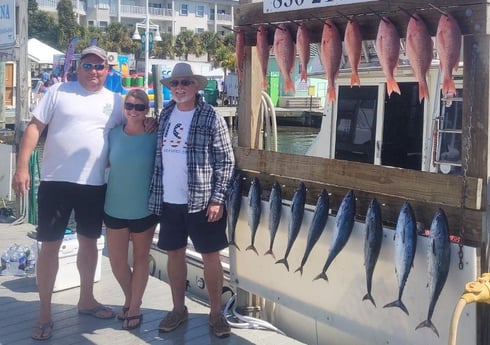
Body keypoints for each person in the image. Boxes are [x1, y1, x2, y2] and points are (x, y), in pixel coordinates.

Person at [13, 45, 123, 341]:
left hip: (94, 184)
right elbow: (35, 128)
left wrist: (149, 122)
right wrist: (21, 167)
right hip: (55, 182)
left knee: (90, 244)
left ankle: (86, 299)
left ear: (108, 71)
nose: (93, 71)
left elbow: (133, 131)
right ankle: (45, 312)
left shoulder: (117, 101)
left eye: (100, 67)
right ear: (78, 68)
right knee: (49, 246)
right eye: (88, 66)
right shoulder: (59, 91)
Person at [149, 62, 235, 338]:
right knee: (174, 253)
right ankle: (178, 308)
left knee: (210, 256)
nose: (180, 88)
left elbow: (225, 160)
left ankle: (216, 313)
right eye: (175, 83)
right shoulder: (165, 115)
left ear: (196, 86)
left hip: (202, 199)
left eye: (186, 82)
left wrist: (217, 198)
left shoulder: (211, 116)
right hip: (169, 200)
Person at [104, 89, 158, 330]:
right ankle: (132, 297)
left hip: (144, 209)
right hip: (114, 205)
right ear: (124, 109)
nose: (134, 111)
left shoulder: (154, 135)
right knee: (116, 261)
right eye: (130, 106)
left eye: (139, 107)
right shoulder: (113, 134)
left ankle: (134, 307)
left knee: (140, 259)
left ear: (146, 111)